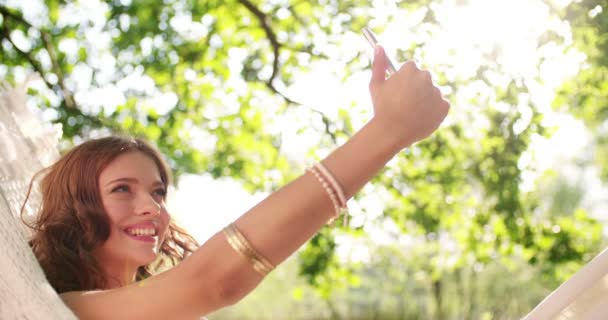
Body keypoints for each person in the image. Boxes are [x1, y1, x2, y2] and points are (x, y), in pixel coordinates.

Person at [22, 45, 450, 319]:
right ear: (74, 206)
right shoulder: (68, 310)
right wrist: (388, 132)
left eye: (157, 192)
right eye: (122, 189)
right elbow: (215, 280)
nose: (152, 207)